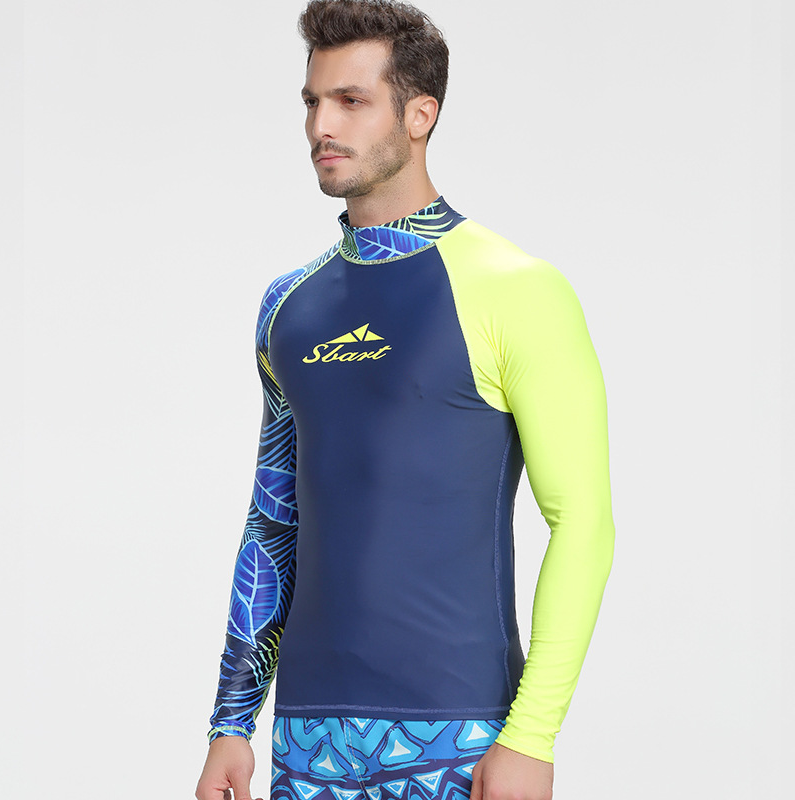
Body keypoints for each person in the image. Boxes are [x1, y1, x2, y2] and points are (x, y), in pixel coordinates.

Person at [195, 2, 615, 799]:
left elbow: (583, 523)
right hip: (308, 739)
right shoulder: (289, 307)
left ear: (420, 115)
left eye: (351, 101)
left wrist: (532, 736)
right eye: (313, 101)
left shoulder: (517, 290)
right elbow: (273, 522)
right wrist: (231, 724)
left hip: (462, 733)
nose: (321, 125)